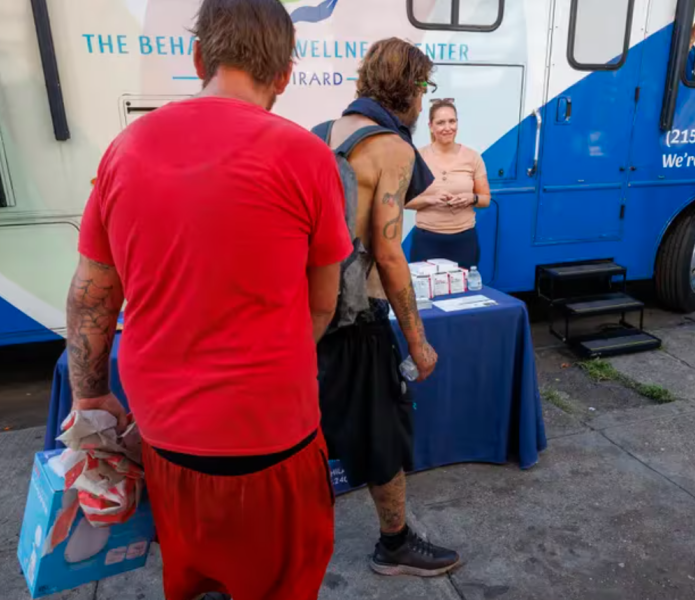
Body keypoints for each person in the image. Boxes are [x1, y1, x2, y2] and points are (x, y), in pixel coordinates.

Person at [65, 1, 352, 598]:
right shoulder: (308, 158)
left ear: (198, 58)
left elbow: (92, 292)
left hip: (167, 439)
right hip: (275, 440)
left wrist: (92, 394)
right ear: (285, 75)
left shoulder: (126, 150)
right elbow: (323, 304)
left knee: (189, 576)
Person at [316, 38, 460, 577]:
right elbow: (389, 252)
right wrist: (418, 340)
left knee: (313, 434)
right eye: (423, 90)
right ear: (410, 90)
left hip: (313, 315)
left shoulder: (323, 134)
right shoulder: (392, 148)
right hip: (360, 318)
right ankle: (394, 543)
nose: (425, 104)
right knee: (383, 431)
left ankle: (296, 544)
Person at [408, 99, 491, 268]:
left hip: (464, 240)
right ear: (431, 126)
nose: (447, 127)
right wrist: (430, 199)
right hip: (426, 240)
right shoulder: (417, 157)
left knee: (464, 292)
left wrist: (471, 198)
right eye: (440, 123)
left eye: (452, 121)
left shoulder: (473, 157)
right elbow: (404, 201)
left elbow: (485, 199)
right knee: (427, 293)